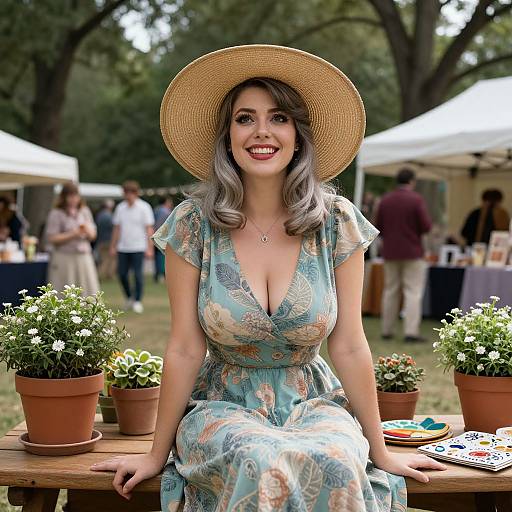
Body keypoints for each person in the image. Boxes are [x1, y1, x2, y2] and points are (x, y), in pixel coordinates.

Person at [91, 45, 445, 510]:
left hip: (312, 403)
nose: (262, 132)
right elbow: (183, 347)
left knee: (336, 461)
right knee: (260, 459)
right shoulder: (193, 224)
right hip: (222, 405)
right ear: (227, 136)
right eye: (245, 118)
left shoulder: (336, 221)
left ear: (298, 134)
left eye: (278, 118)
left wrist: (380, 452)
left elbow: (351, 344)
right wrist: (156, 453)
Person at [375, 168, 432, 343]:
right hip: (413, 252)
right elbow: (426, 226)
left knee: (390, 290)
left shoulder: (385, 200)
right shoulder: (416, 200)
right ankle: (411, 331)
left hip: (390, 252)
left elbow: (378, 226)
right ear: (412, 181)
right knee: (413, 292)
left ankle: (386, 329)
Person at [45, 183, 99, 296]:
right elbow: (52, 238)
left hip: (83, 256)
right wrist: (73, 234)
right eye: (70, 196)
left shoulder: (84, 211)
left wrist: (87, 231)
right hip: (64, 257)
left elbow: (93, 235)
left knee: (86, 290)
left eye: (75, 196)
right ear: (64, 197)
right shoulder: (56, 214)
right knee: (65, 290)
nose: (73, 199)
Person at [110, 181, 154, 313]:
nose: (128, 196)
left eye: (130, 193)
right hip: (123, 247)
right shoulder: (120, 208)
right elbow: (117, 229)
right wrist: (113, 245)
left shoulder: (144, 207)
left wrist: (150, 248)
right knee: (122, 274)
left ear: (135, 193)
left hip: (139, 247)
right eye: (126, 193)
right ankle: (129, 297)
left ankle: (137, 301)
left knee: (138, 275)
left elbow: (149, 229)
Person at [153, 196, 174, 282]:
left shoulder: (156, 210)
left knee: (157, 257)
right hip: (163, 237)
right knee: (162, 257)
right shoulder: (165, 212)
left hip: (155, 236)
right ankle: (162, 275)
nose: (170, 203)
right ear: (165, 202)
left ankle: (157, 274)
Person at [95, 199, 116, 280]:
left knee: (104, 259)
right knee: (108, 260)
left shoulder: (99, 215)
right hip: (109, 241)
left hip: (100, 240)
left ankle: (107, 275)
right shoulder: (109, 216)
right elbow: (113, 228)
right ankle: (102, 275)